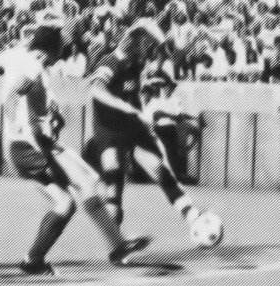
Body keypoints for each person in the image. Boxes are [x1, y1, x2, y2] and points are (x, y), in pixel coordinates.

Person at [0, 23, 148, 274]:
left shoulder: (23, 59)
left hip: (21, 147)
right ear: (50, 48)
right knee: (88, 181)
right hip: (33, 145)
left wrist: (53, 116)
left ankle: (33, 260)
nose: (64, 51)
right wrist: (16, 122)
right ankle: (117, 244)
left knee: (65, 204)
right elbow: (14, 94)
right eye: (61, 46)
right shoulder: (34, 67)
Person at [89, 20, 216, 257]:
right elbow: (96, 89)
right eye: (147, 44)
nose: (149, 51)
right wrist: (126, 108)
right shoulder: (111, 62)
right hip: (108, 130)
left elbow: (135, 90)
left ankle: (192, 216)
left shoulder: (136, 62)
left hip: (133, 127)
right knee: (113, 176)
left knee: (160, 170)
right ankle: (116, 243)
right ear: (135, 40)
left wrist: (142, 111)